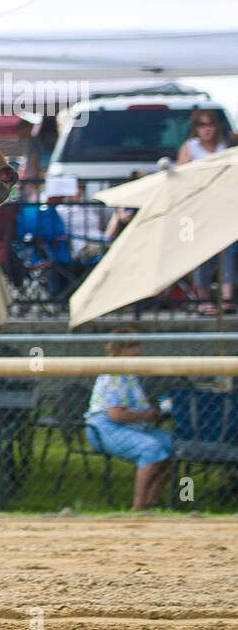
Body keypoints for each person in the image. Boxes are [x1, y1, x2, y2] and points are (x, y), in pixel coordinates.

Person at [85, 329, 173, 510]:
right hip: (105, 428)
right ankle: (137, 507)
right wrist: (148, 416)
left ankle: (151, 502)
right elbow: (116, 415)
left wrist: (158, 409)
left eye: (137, 345)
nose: (136, 351)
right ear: (118, 349)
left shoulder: (132, 373)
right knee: (151, 448)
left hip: (134, 427)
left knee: (175, 445)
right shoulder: (114, 374)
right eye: (130, 346)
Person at [177, 107, 235, 313]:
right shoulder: (190, 147)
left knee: (226, 251)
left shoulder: (226, 145)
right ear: (196, 128)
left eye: (210, 124)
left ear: (217, 126)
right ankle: (203, 301)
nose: (207, 129)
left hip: (223, 208)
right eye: (202, 125)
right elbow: (181, 176)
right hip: (197, 209)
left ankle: (227, 298)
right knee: (198, 253)